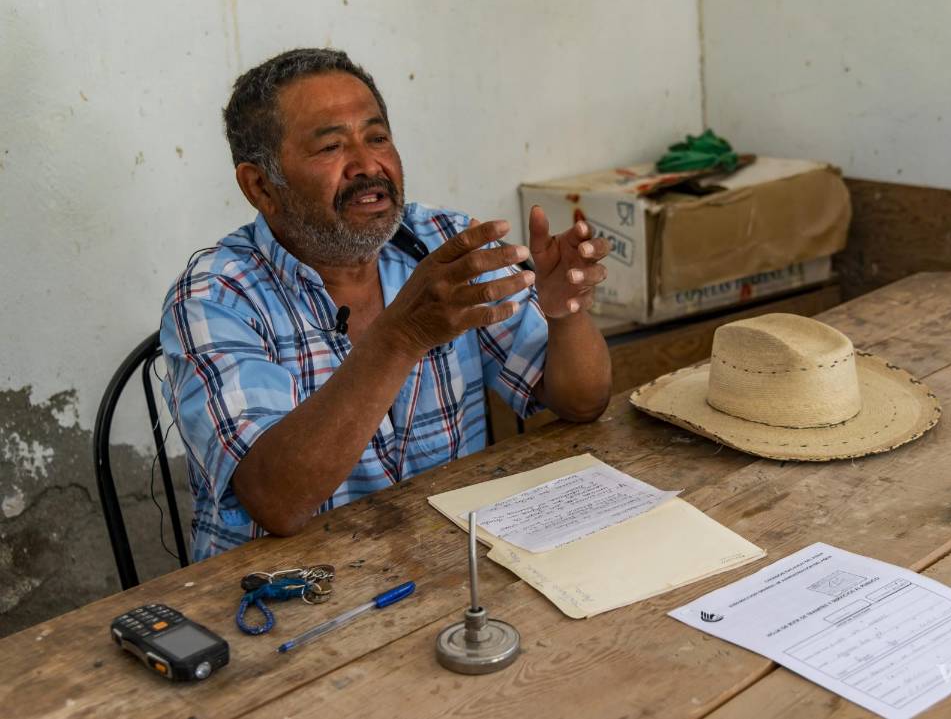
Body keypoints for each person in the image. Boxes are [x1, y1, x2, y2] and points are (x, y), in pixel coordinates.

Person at [160, 48, 612, 561]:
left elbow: (582, 403)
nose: (368, 165)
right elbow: (278, 502)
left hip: (445, 563)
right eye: (331, 146)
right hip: (287, 596)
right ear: (261, 186)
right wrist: (402, 336)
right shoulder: (216, 297)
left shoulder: (444, 242)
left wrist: (564, 314)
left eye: (377, 138)